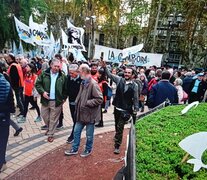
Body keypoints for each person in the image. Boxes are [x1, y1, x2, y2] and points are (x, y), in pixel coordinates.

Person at [65, 64, 103, 157]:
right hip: (81, 114)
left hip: (90, 115)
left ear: (84, 72)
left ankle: (88, 149)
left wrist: (86, 103)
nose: (78, 73)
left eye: (79, 71)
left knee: (89, 135)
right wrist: (78, 102)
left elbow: (99, 99)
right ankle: (74, 149)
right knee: (76, 131)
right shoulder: (83, 82)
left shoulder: (93, 84)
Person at [101, 61, 139, 154]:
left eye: (129, 73)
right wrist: (105, 67)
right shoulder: (119, 80)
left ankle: (117, 145)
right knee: (116, 125)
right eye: (125, 72)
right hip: (117, 107)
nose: (126, 74)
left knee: (120, 127)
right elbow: (109, 75)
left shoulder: (135, 85)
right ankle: (117, 136)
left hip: (126, 110)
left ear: (132, 75)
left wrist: (135, 110)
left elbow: (135, 98)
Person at [35, 59, 67, 142]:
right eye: (55, 66)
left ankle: (50, 134)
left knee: (53, 118)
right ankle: (50, 128)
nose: (57, 68)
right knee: (44, 116)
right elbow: (38, 84)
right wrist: (42, 92)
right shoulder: (44, 74)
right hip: (45, 100)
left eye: (58, 66)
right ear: (51, 66)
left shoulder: (62, 76)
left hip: (56, 101)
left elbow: (65, 89)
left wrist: (64, 98)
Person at [0, 60, 23, 136]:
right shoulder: (5, 75)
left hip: (4, 101)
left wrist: (12, 107)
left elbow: (8, 89)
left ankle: (17, 128)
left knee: (5, 118)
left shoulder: (4, 76)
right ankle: (17, 128)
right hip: (5, 102)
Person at [0, 73, 15, 172]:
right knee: (2, 141)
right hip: (4, 116)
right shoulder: (6, 84)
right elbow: (12, 107)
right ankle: (1, 163)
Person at [66, 63, 82, 144]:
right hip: (71, 102)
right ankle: (75, 132)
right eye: (69, 72)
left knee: (76, 120)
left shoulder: (82, 80)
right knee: (74, 119)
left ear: (77, 72)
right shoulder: (68, 78)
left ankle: (73, 135)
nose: (70, 74)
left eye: (72, 73)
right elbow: (66, 89)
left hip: (79, 104)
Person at [5, 53, 24, 119]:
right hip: (20, 84)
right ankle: (23, 110)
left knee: (18, 99)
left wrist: (12, 86)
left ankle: (22, 111)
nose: (7, 59)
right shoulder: (16, 64)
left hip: (16, 85)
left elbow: (14, 77)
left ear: (10, 58)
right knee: (20, 98)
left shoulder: (13, 66)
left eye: (7, 58)